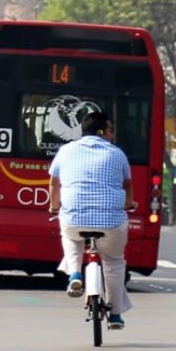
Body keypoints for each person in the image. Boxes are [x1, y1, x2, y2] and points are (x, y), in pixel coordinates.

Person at [48, 111, 135, 329]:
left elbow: (54, 183)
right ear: (102, 131)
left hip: (74, 216)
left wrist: (54, 205)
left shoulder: (66, 150)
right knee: (114, 263)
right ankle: (115, 315)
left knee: (70, 235)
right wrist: (128, 204)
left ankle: (75, 273)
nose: (112, 134)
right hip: (111, 221)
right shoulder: (117, 154)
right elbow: (127, 186)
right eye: (110, 130)